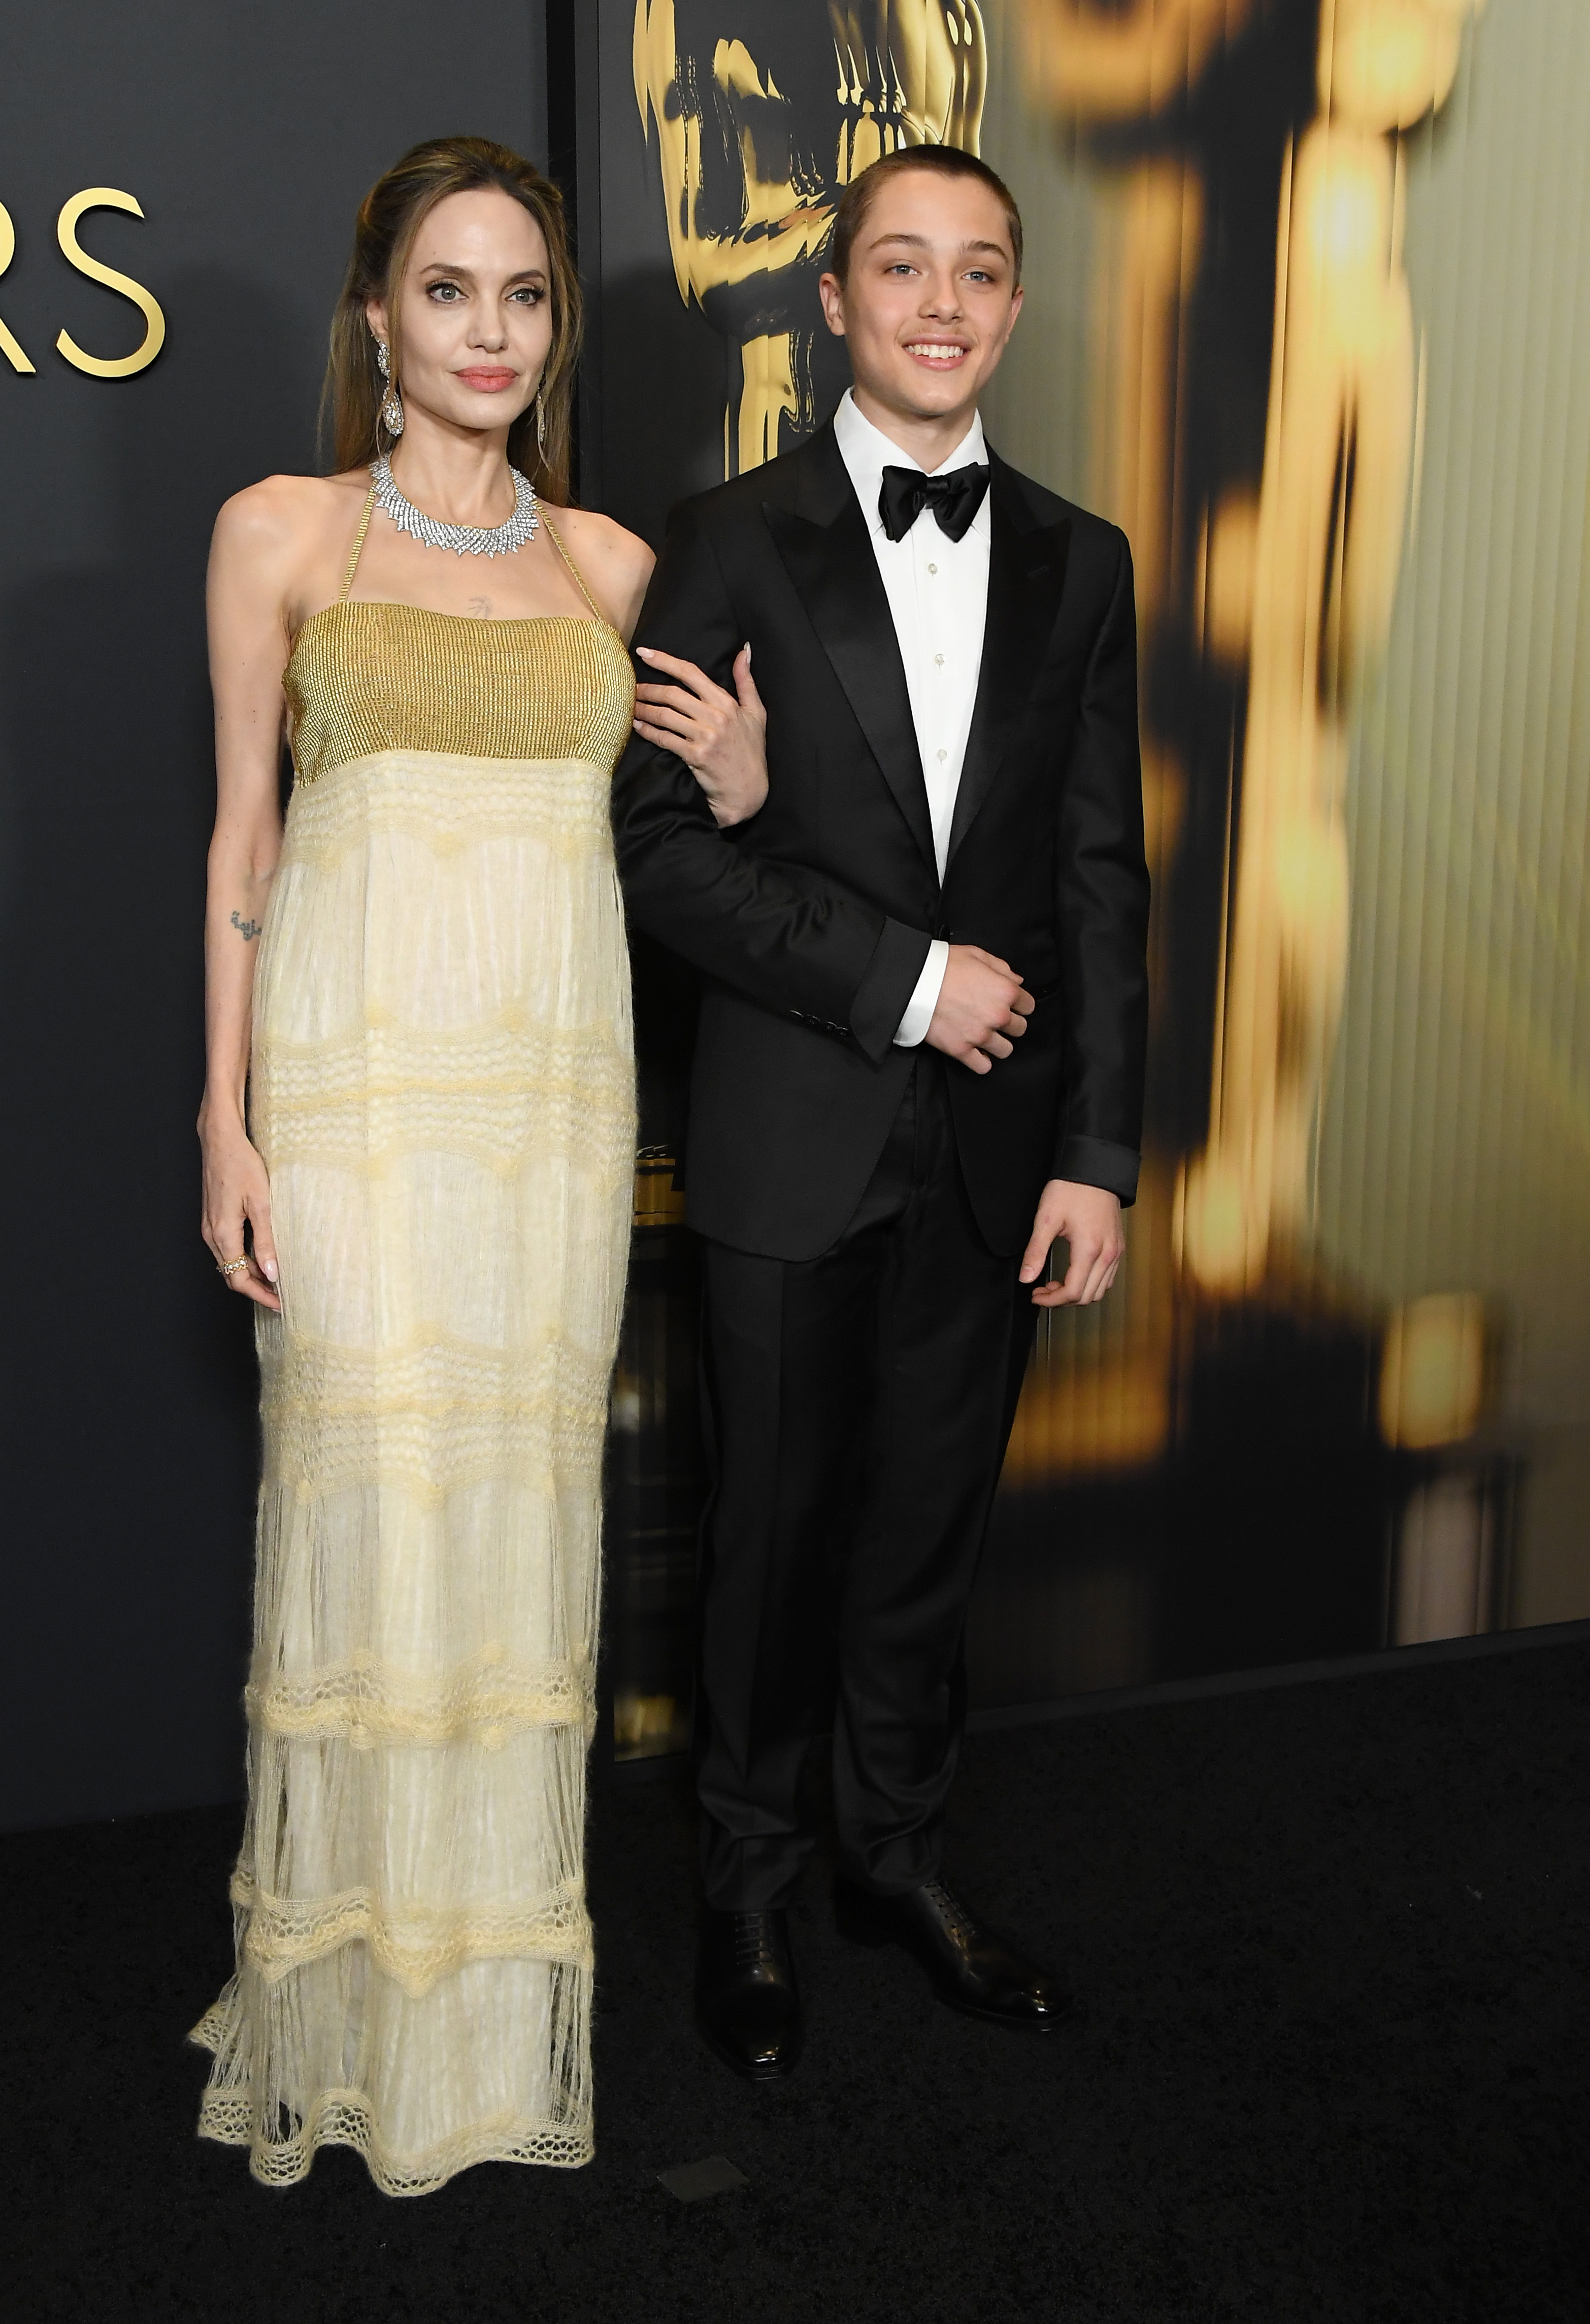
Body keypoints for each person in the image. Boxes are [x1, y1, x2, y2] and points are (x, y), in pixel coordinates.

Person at [189, 137, 742, 2197]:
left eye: (524, 295)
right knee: (365, 1512)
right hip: (350, 1091)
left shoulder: (608, 568)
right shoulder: (284, 531)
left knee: (514, 1532)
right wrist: (222, 1116)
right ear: (378, 318)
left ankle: (488, 2029)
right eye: (450, 291)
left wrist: (748, 772)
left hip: (545, 1109)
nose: (490, 331)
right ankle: (350, 2007)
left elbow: (715, 837)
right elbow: (244, 844)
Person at [614, 144, 1149, 2077]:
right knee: (772, 1535)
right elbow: (661, 851)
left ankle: (893, 1858)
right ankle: (750, 1886)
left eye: (979, 270)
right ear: (830, 300)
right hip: (791, 1127)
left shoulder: (1085, 561)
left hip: (1002, 1149)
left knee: (930, 1527)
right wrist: (911, 981)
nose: (941, 302)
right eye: (900, 267)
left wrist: (1101, 1148)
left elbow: (1103, 884)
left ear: (1014, 306)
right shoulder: (729, 532)